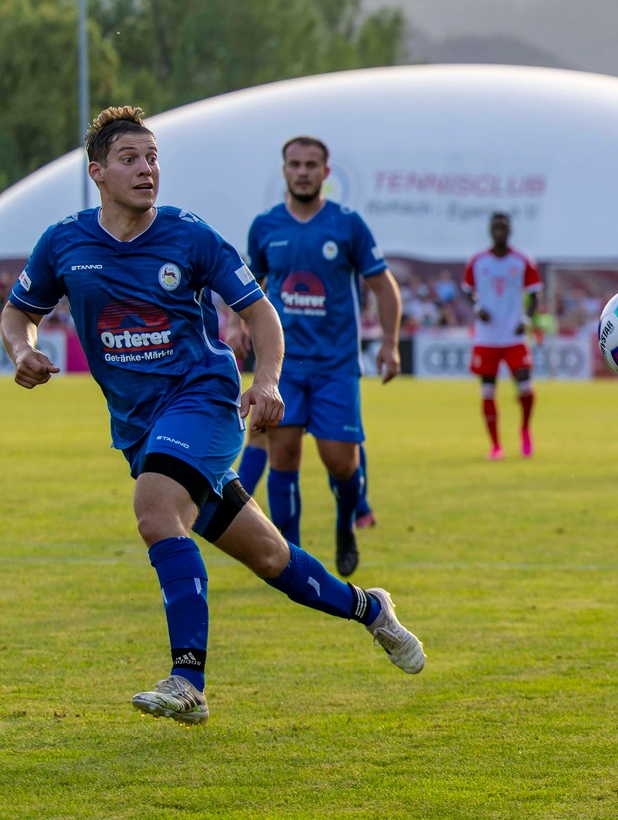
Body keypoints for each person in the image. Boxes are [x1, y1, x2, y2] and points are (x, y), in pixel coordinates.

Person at [1, 107, 424, 726]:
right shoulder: (64, 241)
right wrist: (23, 350)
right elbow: (19, 312)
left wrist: (267, 381)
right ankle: (370, 609)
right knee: (272, 559)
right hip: (140, 427)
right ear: (97, 172)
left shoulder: (190, 235)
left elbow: (261, 316)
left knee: (155, 512)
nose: (147, 170)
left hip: (202, 397)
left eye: (152, 158)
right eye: (130, 159)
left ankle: (187, 680)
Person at [245, 136, 402, 576]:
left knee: (341, 462)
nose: (302, 172)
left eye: (311, 165)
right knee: (284, 457)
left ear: (325, 173)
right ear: (284, 170)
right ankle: (289, 558)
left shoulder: (347, 225)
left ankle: (345, 524)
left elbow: (384, 286)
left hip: (336, 366)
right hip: (284, 366)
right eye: (295, 164)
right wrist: (244, 329)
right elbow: (250, 290)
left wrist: (389, 343)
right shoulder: (265, 227)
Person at [463, 212, 541, 460]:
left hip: (513, 335)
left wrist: (526, 320)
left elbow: (534, 296)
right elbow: (468, 291)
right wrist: (477, 308)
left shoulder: (522, 260)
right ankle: (496, 445)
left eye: (503, 226)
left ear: (510, 230)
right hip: (486, 338)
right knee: (487, 391)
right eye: (495, 226)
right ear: (489, 230)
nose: (499, 230)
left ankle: (525, 430)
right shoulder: (477, 261)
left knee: (526, 386)